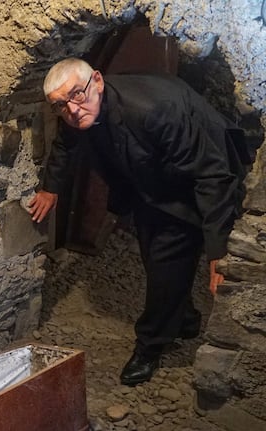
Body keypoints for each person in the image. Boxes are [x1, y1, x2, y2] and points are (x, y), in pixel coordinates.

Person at [28, 57, 251, 386]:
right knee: (156, 258)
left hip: (193, 179)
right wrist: (50, 189)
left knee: (165, 260)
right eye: (60, 105)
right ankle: (185, 320)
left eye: (76, 95)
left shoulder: (155, 110)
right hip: (152, 181)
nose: (72, 110)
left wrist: (219, 249)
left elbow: (212, 175)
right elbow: (67, 142)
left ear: (98, 82)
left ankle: (150, 345)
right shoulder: (78, 110)